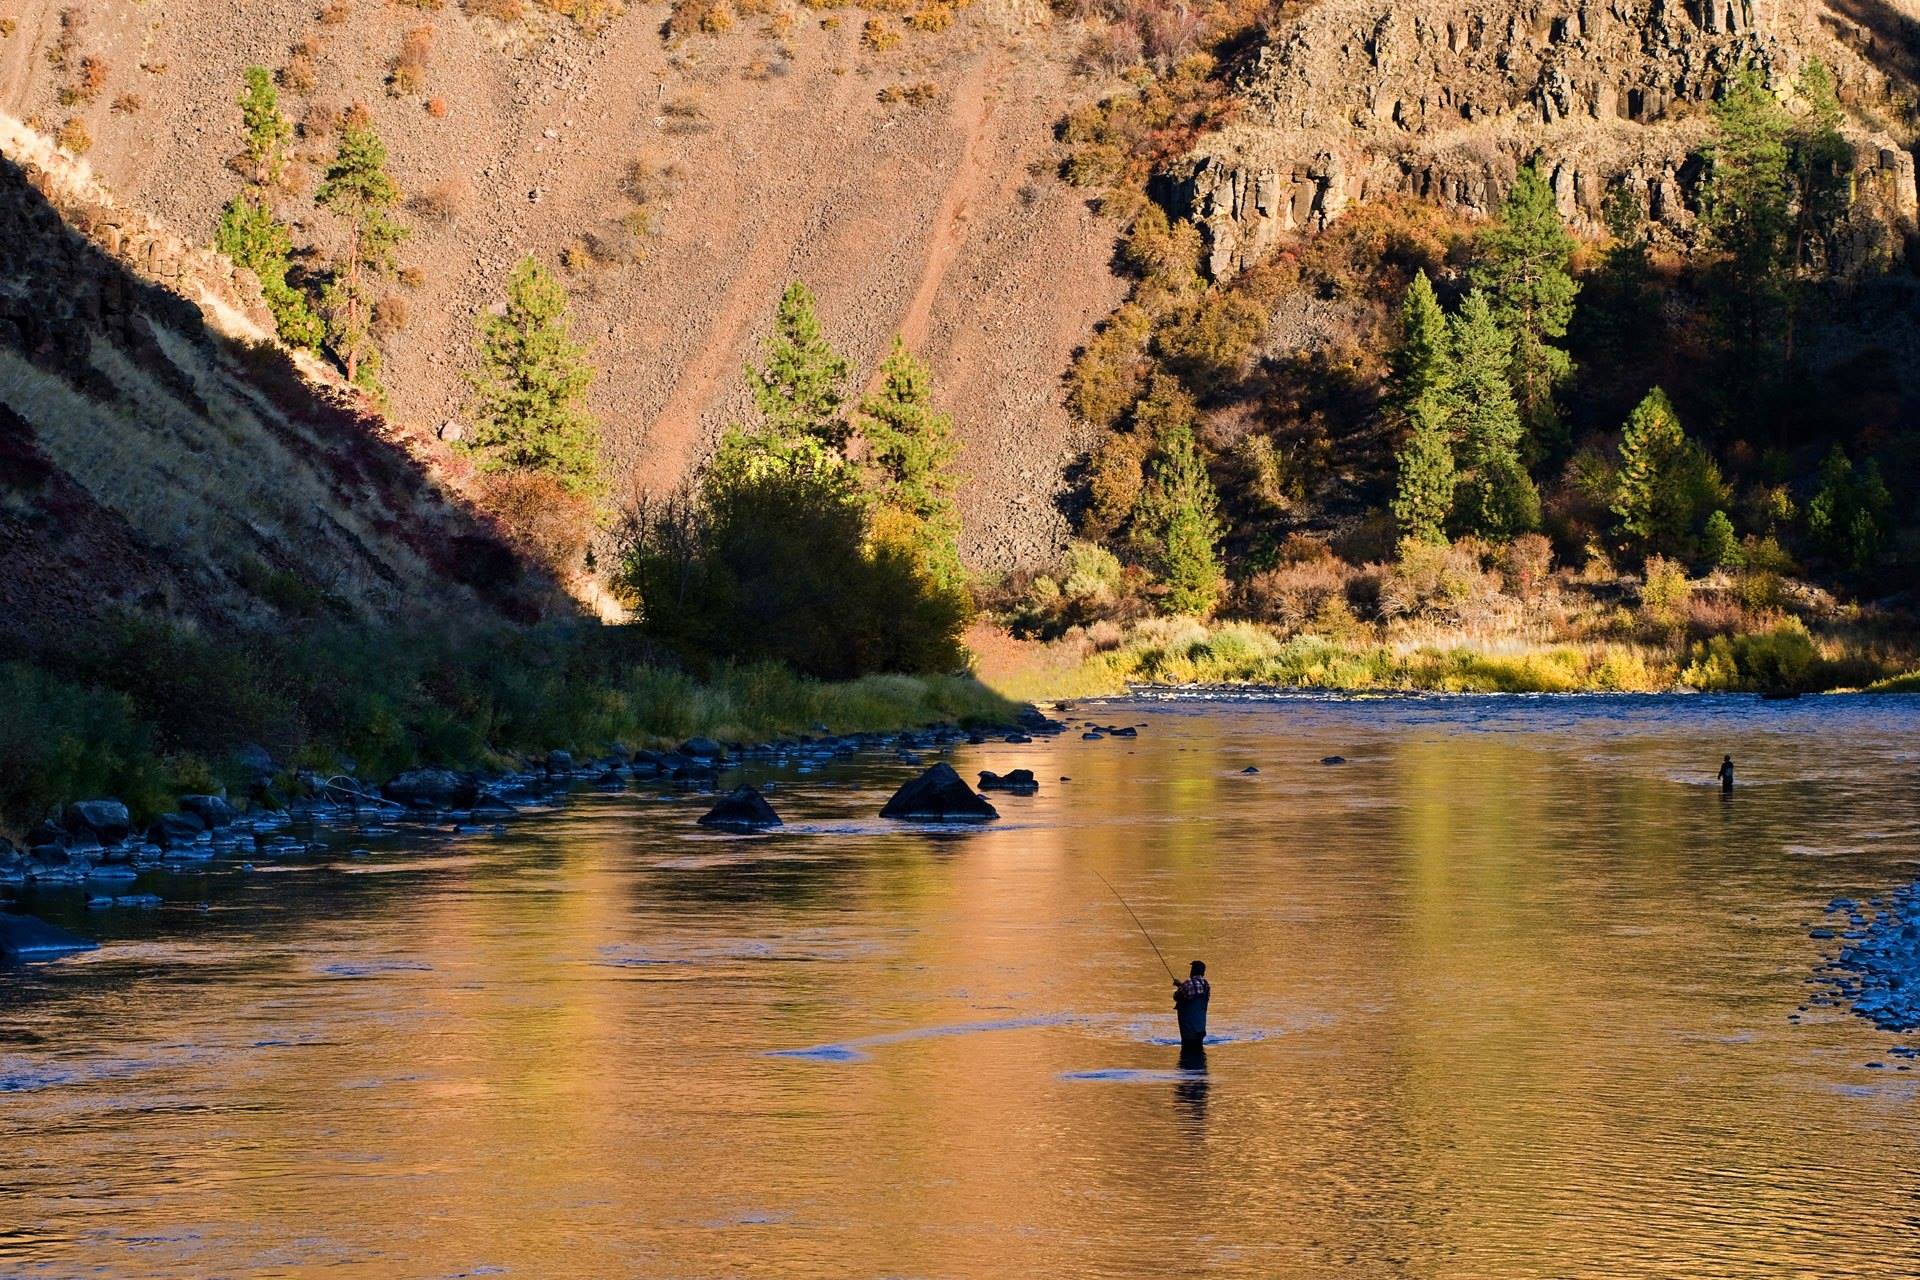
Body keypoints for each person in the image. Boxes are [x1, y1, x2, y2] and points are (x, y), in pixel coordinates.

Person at [1174, 960, 1210, 1048]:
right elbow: (1194, 992)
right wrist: (1181, 985)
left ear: (1192, 971)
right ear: (1203, 973)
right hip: (1200, 1030)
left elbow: (1176, 996)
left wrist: (1180, 987)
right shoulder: (1206, 985)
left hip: (1188, 1031)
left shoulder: (1188, 983)